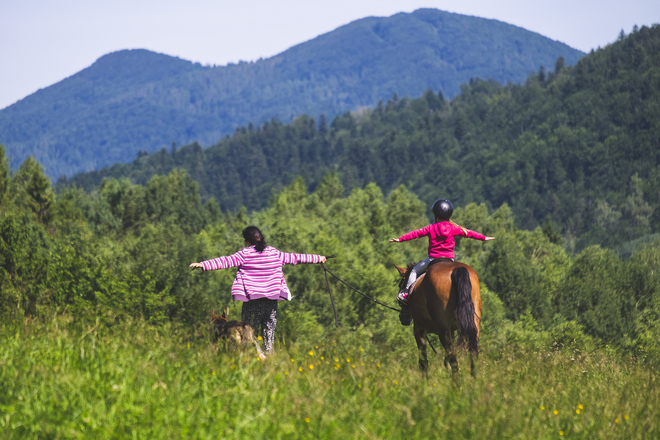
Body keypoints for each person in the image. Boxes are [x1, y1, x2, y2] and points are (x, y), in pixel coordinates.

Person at [190, 226, 327, 354]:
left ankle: (257, 357)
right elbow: (296, 258)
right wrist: (318, 258)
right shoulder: (274, 253)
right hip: (271, 302)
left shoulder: (245, 254)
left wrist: (203, 264)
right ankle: (269, 360)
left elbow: (225, 261)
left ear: (248, 241)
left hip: (252, 302)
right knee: (269, 334)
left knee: (248, 334)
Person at [389, 199, 494, 325]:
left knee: (414, 271)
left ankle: (406, 294)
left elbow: (415, 234)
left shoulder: (431, 228)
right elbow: (469, 233)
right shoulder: (454, 228)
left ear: (435, 214)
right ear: (449, 215)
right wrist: (483, 238)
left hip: (433, 260)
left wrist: (400, 239)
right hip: (449, 260)